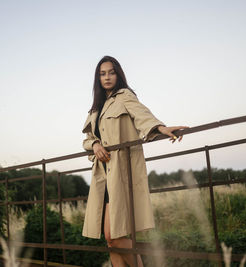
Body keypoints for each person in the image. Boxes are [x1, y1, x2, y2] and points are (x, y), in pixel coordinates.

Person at [81, 55, 188, 267]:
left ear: (118, 74)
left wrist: (161, 128)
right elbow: (88, 140)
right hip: (102, 178)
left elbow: (143, 116)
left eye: (111, 72)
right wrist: (94, 145)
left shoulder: (124, 96)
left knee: (115, 236)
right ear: (98, 78)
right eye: (102, 74)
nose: (107, 77)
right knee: (111, 241)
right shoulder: (95, 109)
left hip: (120, 174)